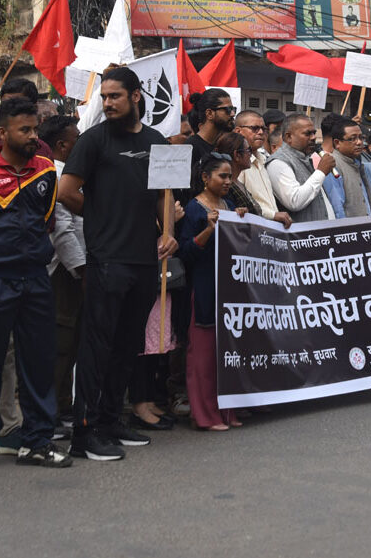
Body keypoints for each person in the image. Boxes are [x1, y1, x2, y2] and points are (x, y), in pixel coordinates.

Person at [58, 67, 177, 460]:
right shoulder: (93, 141)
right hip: (107, 260)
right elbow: (65, 191)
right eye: (104, 98)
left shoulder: (156, 140)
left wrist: (167, 231)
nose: (107, 104)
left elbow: (165, 192)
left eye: (115, 97)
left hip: (145, 261)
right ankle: (85, 431)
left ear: (136, 96)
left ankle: (111, 420)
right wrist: (97, 216)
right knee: (97, 348)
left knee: (127, 345)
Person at [0, 98, 70, 470]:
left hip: (36, 278)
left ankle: (37, 441)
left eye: (35, 129)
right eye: (25, 130)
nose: (34, 137)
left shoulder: (46, 171)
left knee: (38, 362)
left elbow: (47, 219)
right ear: (1, 133)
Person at [180, 153, 247, 430]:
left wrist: (241, 221)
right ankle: (204, 415)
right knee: (204, 357)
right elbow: (185, 252)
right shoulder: (193, 209)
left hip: (227, 290)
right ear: (206, 178)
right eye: (222, 176)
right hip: (204, 290)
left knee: (225, 355)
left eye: (230, 176)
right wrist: (209, 230)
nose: (228, 181)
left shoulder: (230, 204)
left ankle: (226, 412)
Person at [38, 115, 85, 431]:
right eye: (77, 138)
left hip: (73, 269)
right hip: (64, 271)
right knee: (61, 342)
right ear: (62, 145)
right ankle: (52, 411)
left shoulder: (69, 173)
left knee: (70, 342)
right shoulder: (56, 176)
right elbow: (63, 231)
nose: (81, 142)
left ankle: (63, 408)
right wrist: (82, 270)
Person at [266, 114, 335, 223]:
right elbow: (294, 201)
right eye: (307, 133)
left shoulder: (305, 157)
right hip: (304, 237)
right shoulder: (278, 163)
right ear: (289, 137)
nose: (313, 138)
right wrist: (321, 172)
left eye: (314, 133)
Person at [233, 111, 291, 226]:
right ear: (238, 131)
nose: (260, 132)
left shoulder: (264, 160)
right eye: (254, 128)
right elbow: (242, 206)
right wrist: (273, 215)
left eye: (263, 129)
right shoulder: (238, 162)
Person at [324, 120, 371, 219]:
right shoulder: (332, 164)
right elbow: (337, 207)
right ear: (337, 143)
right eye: (352, 139)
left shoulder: (356, 162)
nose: (359, 142)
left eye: (361, 138)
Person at [216, 132, 262, 215]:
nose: (250, 154)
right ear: (237, 155)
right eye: (248, 150)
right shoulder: (226, 188)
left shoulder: (238, 183)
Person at [186, 88, 236, 166]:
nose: (232, 114)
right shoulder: (191, 148)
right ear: (209, 114)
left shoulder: (222, 146)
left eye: (233, 109)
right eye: (227, 109)